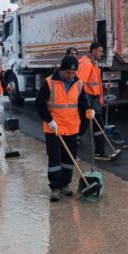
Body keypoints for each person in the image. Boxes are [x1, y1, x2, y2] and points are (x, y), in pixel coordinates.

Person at [36, 56, 91, 202]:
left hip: (72, 127)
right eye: (68, 73)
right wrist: (49, 121)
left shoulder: (78, 83)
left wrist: (88, 110)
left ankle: (65, 184)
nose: (71, 76)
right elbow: (40, 104)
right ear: (61, 70)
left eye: (73, 73)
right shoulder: (49, 83)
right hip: (54, 128)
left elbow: (83, 102)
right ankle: (55, 188)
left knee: (69, 158)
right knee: (55, 158)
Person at [77, 42, 112, 160]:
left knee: (85, 123)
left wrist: (102, 92)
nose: (102, 54)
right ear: (93, 51)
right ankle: (100, 152)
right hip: (89, 98)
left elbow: (94, 83)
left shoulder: (93, 64)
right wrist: (85, 100)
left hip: (94, 98)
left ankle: (76, 138)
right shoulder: (87, 64)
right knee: (99, 125)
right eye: (100, 51)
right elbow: (80, 83)